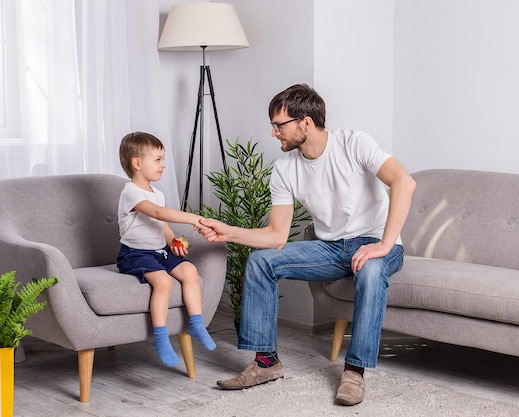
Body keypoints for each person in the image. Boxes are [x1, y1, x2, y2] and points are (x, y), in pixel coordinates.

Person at [198, 84, 416, 405]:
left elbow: (403, 181)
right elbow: (276, 236)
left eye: (279, 125)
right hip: (329, 248)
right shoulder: (285, 169)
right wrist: (227, 232)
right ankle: (266, 364)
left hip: (375, 243)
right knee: (261, 261)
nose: (274, 133)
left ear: (306, 123)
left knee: (370, 272)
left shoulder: (354, 143)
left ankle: (354, 371)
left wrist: (384, 243)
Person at [116, 131, 216, 367]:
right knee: (163, 282)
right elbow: (158, 213)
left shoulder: (157, 193)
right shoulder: (130, 192)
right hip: (135, 254)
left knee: (190, 271)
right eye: (158, 159)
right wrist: (192, 218)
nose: (164, 164)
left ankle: (197, 324)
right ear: (137, 163)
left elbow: (162, 224)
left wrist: (173, 241)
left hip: (159, 250)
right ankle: (161, 338)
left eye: (163, 159)